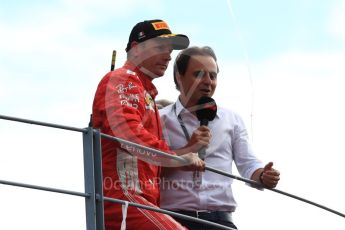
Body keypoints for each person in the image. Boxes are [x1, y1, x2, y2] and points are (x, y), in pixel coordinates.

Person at [92, 19, 205, 230]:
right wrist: (178, 157)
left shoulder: (145, 94)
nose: (169, 55)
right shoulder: (123, 79)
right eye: (161, 47)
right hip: (124, 198)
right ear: (136, 49)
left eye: (170, 50)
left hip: (141, 201)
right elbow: (128, 133)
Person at [159, 46, 281, 229]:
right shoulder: (160, 118)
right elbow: (148, 167)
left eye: (212, 76)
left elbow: (248, 165)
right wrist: (188, 150)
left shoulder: (232, 120)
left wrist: (263, 176)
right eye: (199, 74)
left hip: (220, 221)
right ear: (179, 76)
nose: (208, 82)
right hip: (171, 220)